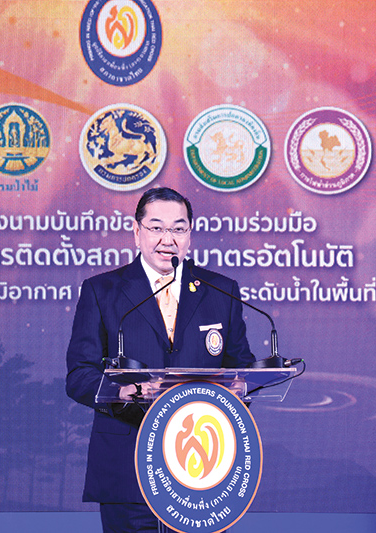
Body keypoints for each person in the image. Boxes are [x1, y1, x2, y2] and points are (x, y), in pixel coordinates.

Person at [66, 187, 254, 532]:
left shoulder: (221, 291)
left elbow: (240, 366)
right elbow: (79, 375)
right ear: (137, 232)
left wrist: (244, 385)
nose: (168, 239)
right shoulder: (102, 291)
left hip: (203, 472)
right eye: (157, 228)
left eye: (178, 229)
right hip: (128, 468)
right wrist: (122, 392)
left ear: (190, 236)